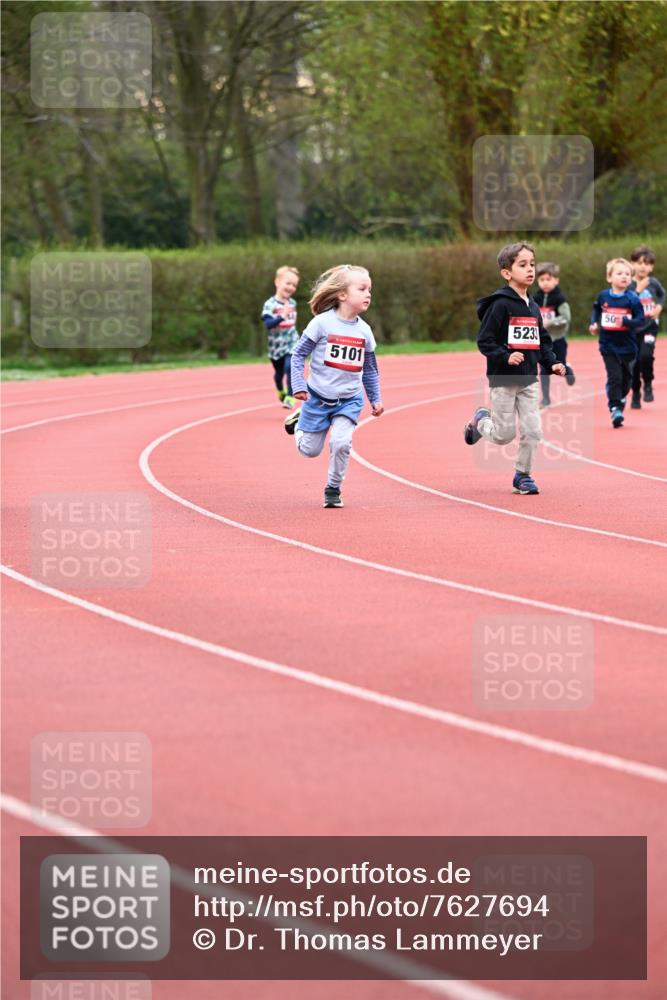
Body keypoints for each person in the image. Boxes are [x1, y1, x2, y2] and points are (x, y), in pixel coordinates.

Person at [464, 242, 566, 495]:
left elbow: (542, 340)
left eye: (532, 263)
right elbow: (484, 341)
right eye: (522, 265)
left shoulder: (533, 306)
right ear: (506, 273)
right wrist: (505, 356)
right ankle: (480, 422)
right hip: (504, 380)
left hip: (529, 380)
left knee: (534, 431)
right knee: (503, 435)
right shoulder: (500, 305)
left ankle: (522, 476)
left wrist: (552, 362)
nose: (530, 269)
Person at [284, 264, 384, 508]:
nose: (368, 294)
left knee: (341, 442)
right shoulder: (321, 323)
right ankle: (299, 421)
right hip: (317, 398)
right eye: (362, 289)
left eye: (370, 289)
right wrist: (298, 386)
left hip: (349, 400)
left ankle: (333, 488)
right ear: (342, 294)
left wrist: (375, 398)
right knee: (309, 451)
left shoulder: (364, 331)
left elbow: (370, 369)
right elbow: (297, 356)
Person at [589, 258, 645, 428]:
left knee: (626, 379)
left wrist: (626, 322)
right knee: (615, 377)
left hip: (628, 346)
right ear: (609, 277)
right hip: (608, 345)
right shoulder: (603, 296)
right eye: (619, 273)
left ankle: (620, 398)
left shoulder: (633, 299)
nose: (624, 277)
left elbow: (640, 320)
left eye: (628, 274)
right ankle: (615, 408)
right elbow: (597, 309)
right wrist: (594, 323)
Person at [532, 261, 576, 407]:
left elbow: (566, 318)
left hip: (557, 339)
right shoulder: (534, 299)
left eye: (548, 279)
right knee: (543, 369)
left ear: (556, 280)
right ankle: (545, 398)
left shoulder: (559, 298)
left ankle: (568, 371)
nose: (545, 283)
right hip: (541, 340)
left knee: (559, 365)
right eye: (542, 280)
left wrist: (550, 323)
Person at [629, 245, 665, 407]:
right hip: (632, 329)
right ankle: (636, 391)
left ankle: (648, 384)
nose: (643, 266)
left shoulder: (654, 282)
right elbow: (626, 302)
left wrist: (659, 306)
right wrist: (637, 290)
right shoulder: (628, 283)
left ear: (651, 267)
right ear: (633, 264)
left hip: (650, 327)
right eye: (639, 262)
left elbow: (663, 294)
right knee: (634, 363)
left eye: (647, 263)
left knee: (645, 356)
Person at [261, 265, 300, 408]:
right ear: (277, 282)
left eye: (294, 285)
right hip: (275, 345)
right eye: (288, 283)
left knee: (290, 366)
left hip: (292, 342)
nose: (291, 287)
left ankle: (290, 396)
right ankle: (280, 389)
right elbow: (268, 324)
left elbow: (292, 324)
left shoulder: (293, 303)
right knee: (279, 373)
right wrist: (281, 316)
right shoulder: (269, 304)